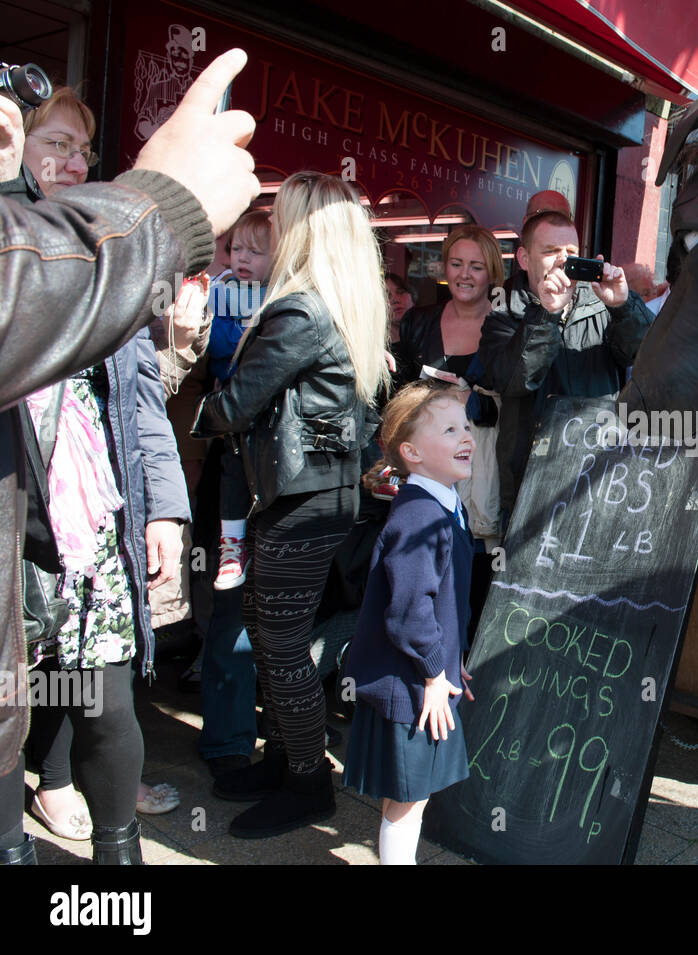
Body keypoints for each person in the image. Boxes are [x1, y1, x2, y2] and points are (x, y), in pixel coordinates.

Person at [0, 47, 260, 865]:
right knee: (13, 705)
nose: (73, 161)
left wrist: (167, 509)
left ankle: (118, 864)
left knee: (108, 702)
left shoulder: (115, 267)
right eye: (53, 144)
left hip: (94, 523)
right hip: (17, 527)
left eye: (82, 148)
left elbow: (145, 397)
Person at [195, 170, 389, 838]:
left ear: (302, 229)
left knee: (278, 645)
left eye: (280, 218)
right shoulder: (336, 304)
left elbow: (232, 407)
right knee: (274, 636)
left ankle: (307, 783)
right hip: (316, 495)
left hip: (300, 497)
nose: (270, 229)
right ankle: (285, 763)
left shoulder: (300, 308)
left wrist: (191, 349)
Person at [343, 380, 475, 864]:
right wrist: (435, 673)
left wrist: (452, 661)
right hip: (412, 683)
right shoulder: (421, 516)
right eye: (449, 429)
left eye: (466, 425)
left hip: (425, 676)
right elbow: (408, 613)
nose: (467, 436)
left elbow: (442, 602)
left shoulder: (445, 503)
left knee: (411, 791)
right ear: (411, 452)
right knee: (408, 796)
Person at [478, 207, 654, 528]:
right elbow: (513, 380)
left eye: (571, 252)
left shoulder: (603, 301)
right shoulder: (503, 306)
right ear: (523, 258)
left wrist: (623, 306)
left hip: (601, 476)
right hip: (530, 482)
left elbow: (652, 359)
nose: (563, 260)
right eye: (550, 251)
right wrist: (545, 314)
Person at [400, 224, 505, 634]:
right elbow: (399, 395)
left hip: (483, 472)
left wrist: (472, 400)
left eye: (476, 267)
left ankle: (462, 665)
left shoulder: (505, 326)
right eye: (456, 264)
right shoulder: (418, 321)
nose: (464, 274)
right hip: (427, 469)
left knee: (473, 574)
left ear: (492, 273)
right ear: (444, 268)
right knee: (427, 569)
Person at [208, 209, 272, 590]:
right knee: (233, 475)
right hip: (235, 408)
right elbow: (216, 346)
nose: (243, 259)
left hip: (272, 411)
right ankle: (231, 545)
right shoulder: (221, 290)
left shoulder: (283, 293)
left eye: (255, 252)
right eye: (236, 249)